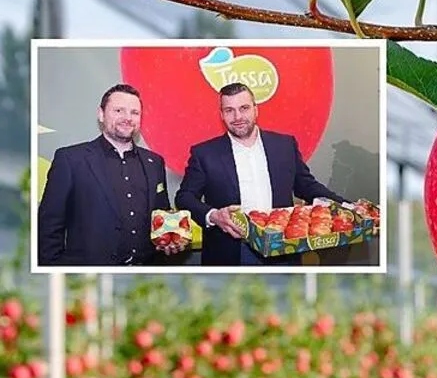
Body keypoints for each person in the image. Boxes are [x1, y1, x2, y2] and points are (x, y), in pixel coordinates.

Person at [175, 82, 348, 266]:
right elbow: (184, 197)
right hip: (231, 252)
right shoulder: (204, 153)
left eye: (244, 108)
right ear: (221, 115)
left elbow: (306, 186)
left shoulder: (284, 145)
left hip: (283, 248)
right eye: (229, 110)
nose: (238, 116)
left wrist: (348, 206)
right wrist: (213, 215)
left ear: (256, 109)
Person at [37, 84, 183, 266]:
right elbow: (49, 223)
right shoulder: (71, 159)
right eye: (119, 110)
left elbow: (161, 213)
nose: (127, 118)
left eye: (134, 112)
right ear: (101, 114)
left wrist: (169, 240)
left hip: (145, 274)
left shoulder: (154, 162)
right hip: (90, 276)